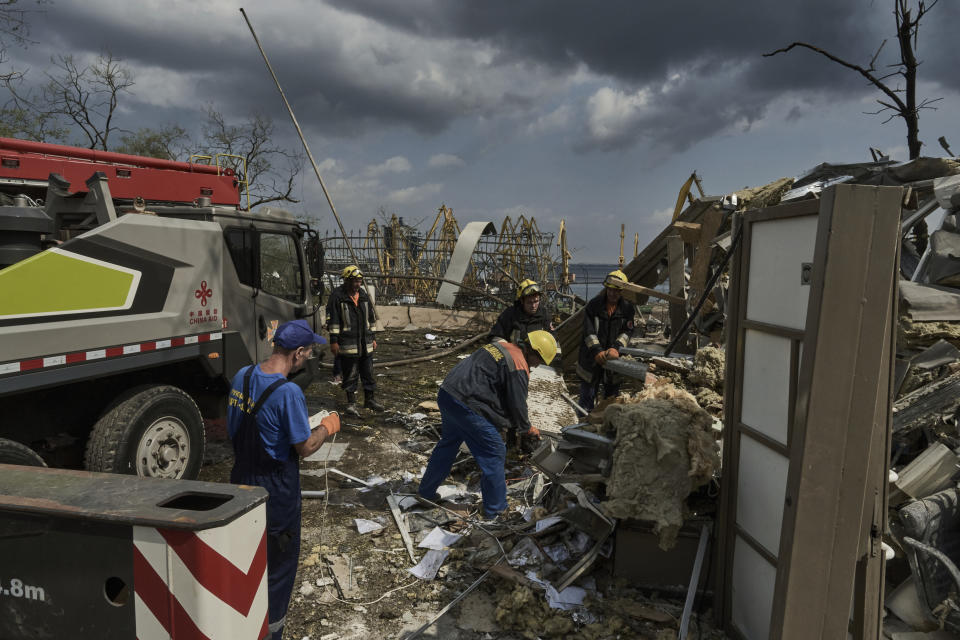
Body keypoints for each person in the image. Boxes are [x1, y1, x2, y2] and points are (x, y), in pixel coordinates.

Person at [227, 318, 341, 640]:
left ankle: (241, 625)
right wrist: (327, 426)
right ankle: (270, 633)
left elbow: (238, 425)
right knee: (277, 571)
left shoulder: (242, 376)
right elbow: (304, 447)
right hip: (275, 493)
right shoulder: (289, 392)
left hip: (239, 483)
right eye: (307, 354)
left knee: (245, 562)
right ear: (299, 353)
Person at [417, 330, 558, 521]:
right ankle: (496, 512)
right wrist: (527, 429)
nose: (537, 365)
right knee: (494, 452)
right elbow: (517, 405)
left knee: (448, 444)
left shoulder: (500, 345)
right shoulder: (518, 365)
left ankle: (426, 492)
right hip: (466, 405)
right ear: (534, 352)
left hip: (448, 394)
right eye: (539, 360)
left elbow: (493, 387)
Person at [577, 269, 636, 411]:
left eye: (616, 291)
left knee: (611, 400)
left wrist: (616, 347)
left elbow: (627, 332)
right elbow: (588, 331)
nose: (612, 293)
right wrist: (597, 351)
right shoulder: (594, 305)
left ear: (622, 291)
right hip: (591, 359)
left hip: (613, 359)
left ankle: (606, 427)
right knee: (587, 397)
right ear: (606, 288)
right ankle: (582, 427)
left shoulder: (627, 309)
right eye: (610, 290)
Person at [327, 265, 382, 416]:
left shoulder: (363, 295)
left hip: (366, 343)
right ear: (346, 281)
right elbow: (334, 320)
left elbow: (370, 318)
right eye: (354, 281)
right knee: (350, 373)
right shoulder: (338, 296)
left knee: (368, 373)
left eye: (359, 281)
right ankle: (351, 403)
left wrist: (373, 337)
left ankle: (369, 400)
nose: (358, 284)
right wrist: (333, 341)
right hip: (348, 343)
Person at [489, 278, 556, 345]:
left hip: (537, 354)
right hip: (514, 354)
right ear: (522, 301)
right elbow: (495, 336)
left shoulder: (544, 315)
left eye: (536, 301)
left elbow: (553, 339)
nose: (533, 306)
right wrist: (505, 348)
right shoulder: (509, 315)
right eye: (529, 302)